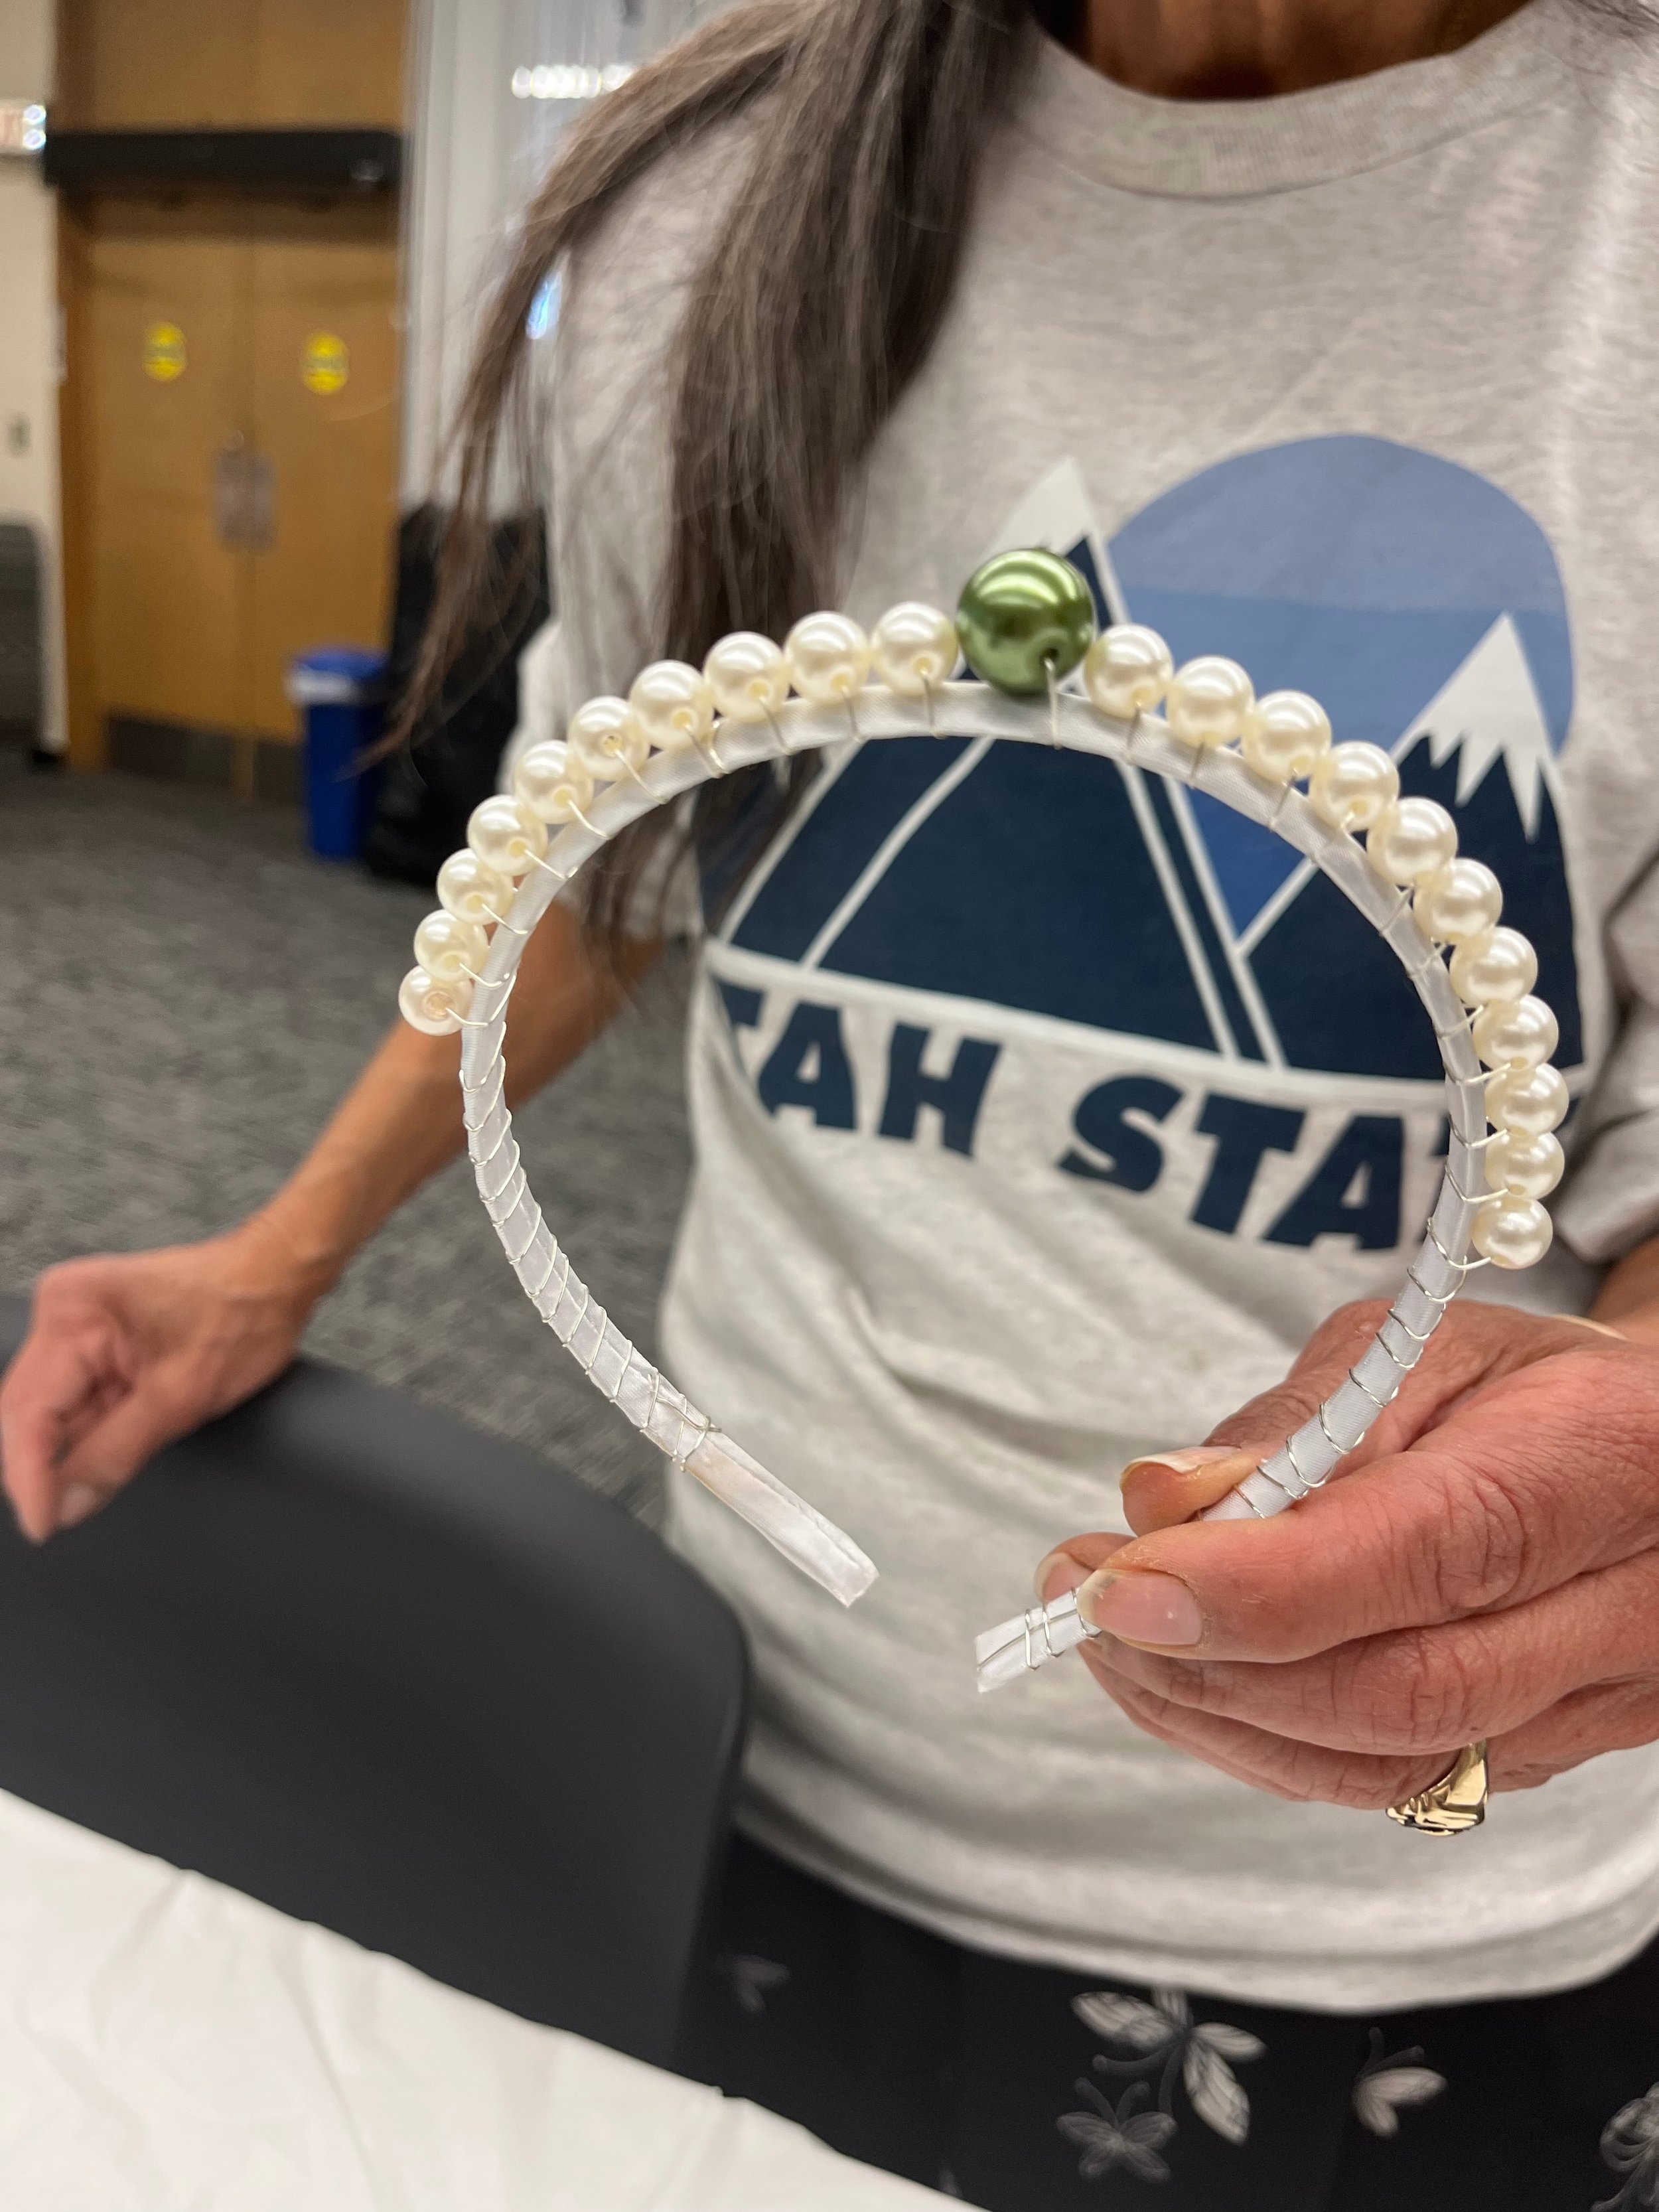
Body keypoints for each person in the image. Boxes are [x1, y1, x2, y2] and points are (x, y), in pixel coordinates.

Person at [7, 0, 1659, 2202]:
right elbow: (604, 852)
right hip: (743, 1751)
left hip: (1404, 1883)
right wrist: (274, 1249)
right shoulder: (718, 188)